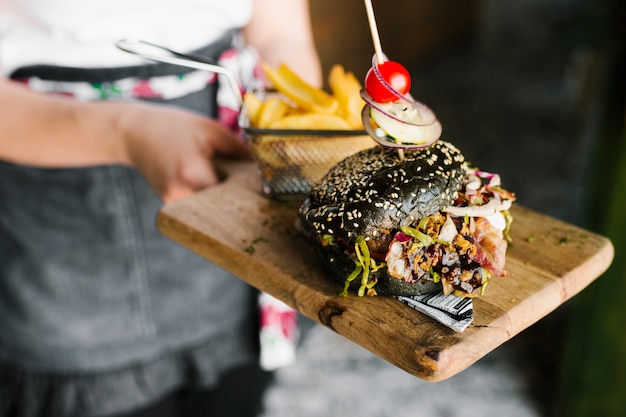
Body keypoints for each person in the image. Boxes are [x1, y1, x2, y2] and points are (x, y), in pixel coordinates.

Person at [0, 1, 321, 416]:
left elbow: (282, 34)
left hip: (238, 171)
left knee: (234, 393)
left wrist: (294, 123)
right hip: (64, 212)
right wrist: (128, 133)